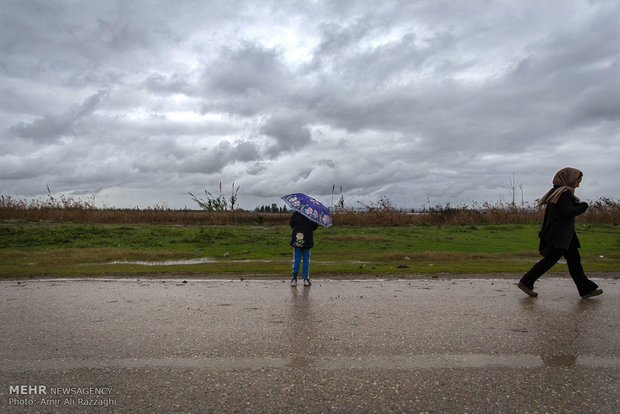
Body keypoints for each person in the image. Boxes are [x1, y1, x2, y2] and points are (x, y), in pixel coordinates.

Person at [518, 167, 603, 298]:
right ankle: (526, 282)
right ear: (570, 179)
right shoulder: (563, 194)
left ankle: (585, 289)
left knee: (574, 261)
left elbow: (566, 209)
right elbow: (568, 212)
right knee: (550, 260)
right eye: (577, 180)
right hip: (559, 236)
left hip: (564, 236)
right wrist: (583, 206)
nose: (578, 184)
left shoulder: (559, 192)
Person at [289, 210, 318, 287]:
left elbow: (291, 224)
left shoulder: (296, 213)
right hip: (307, 239)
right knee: (306, 260)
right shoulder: (312, 215)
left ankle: (294, 279)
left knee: (296, 259)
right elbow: (315, 227)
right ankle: (306, 279)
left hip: (297, 239)